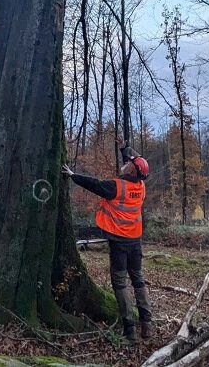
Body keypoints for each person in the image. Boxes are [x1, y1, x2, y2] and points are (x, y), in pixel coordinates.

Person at [62, 140, 152, 343]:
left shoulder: (116, 187)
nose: (127, 161)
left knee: (120, 284)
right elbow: (134, 164)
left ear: (131, 170)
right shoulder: (141, 186)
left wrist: (73, 176)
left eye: (129, 162)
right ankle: (147, 325)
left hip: (120, 243)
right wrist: (124, 149)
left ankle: (130, 330)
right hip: (135, 242)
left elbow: (94, 184)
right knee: (138, 281)